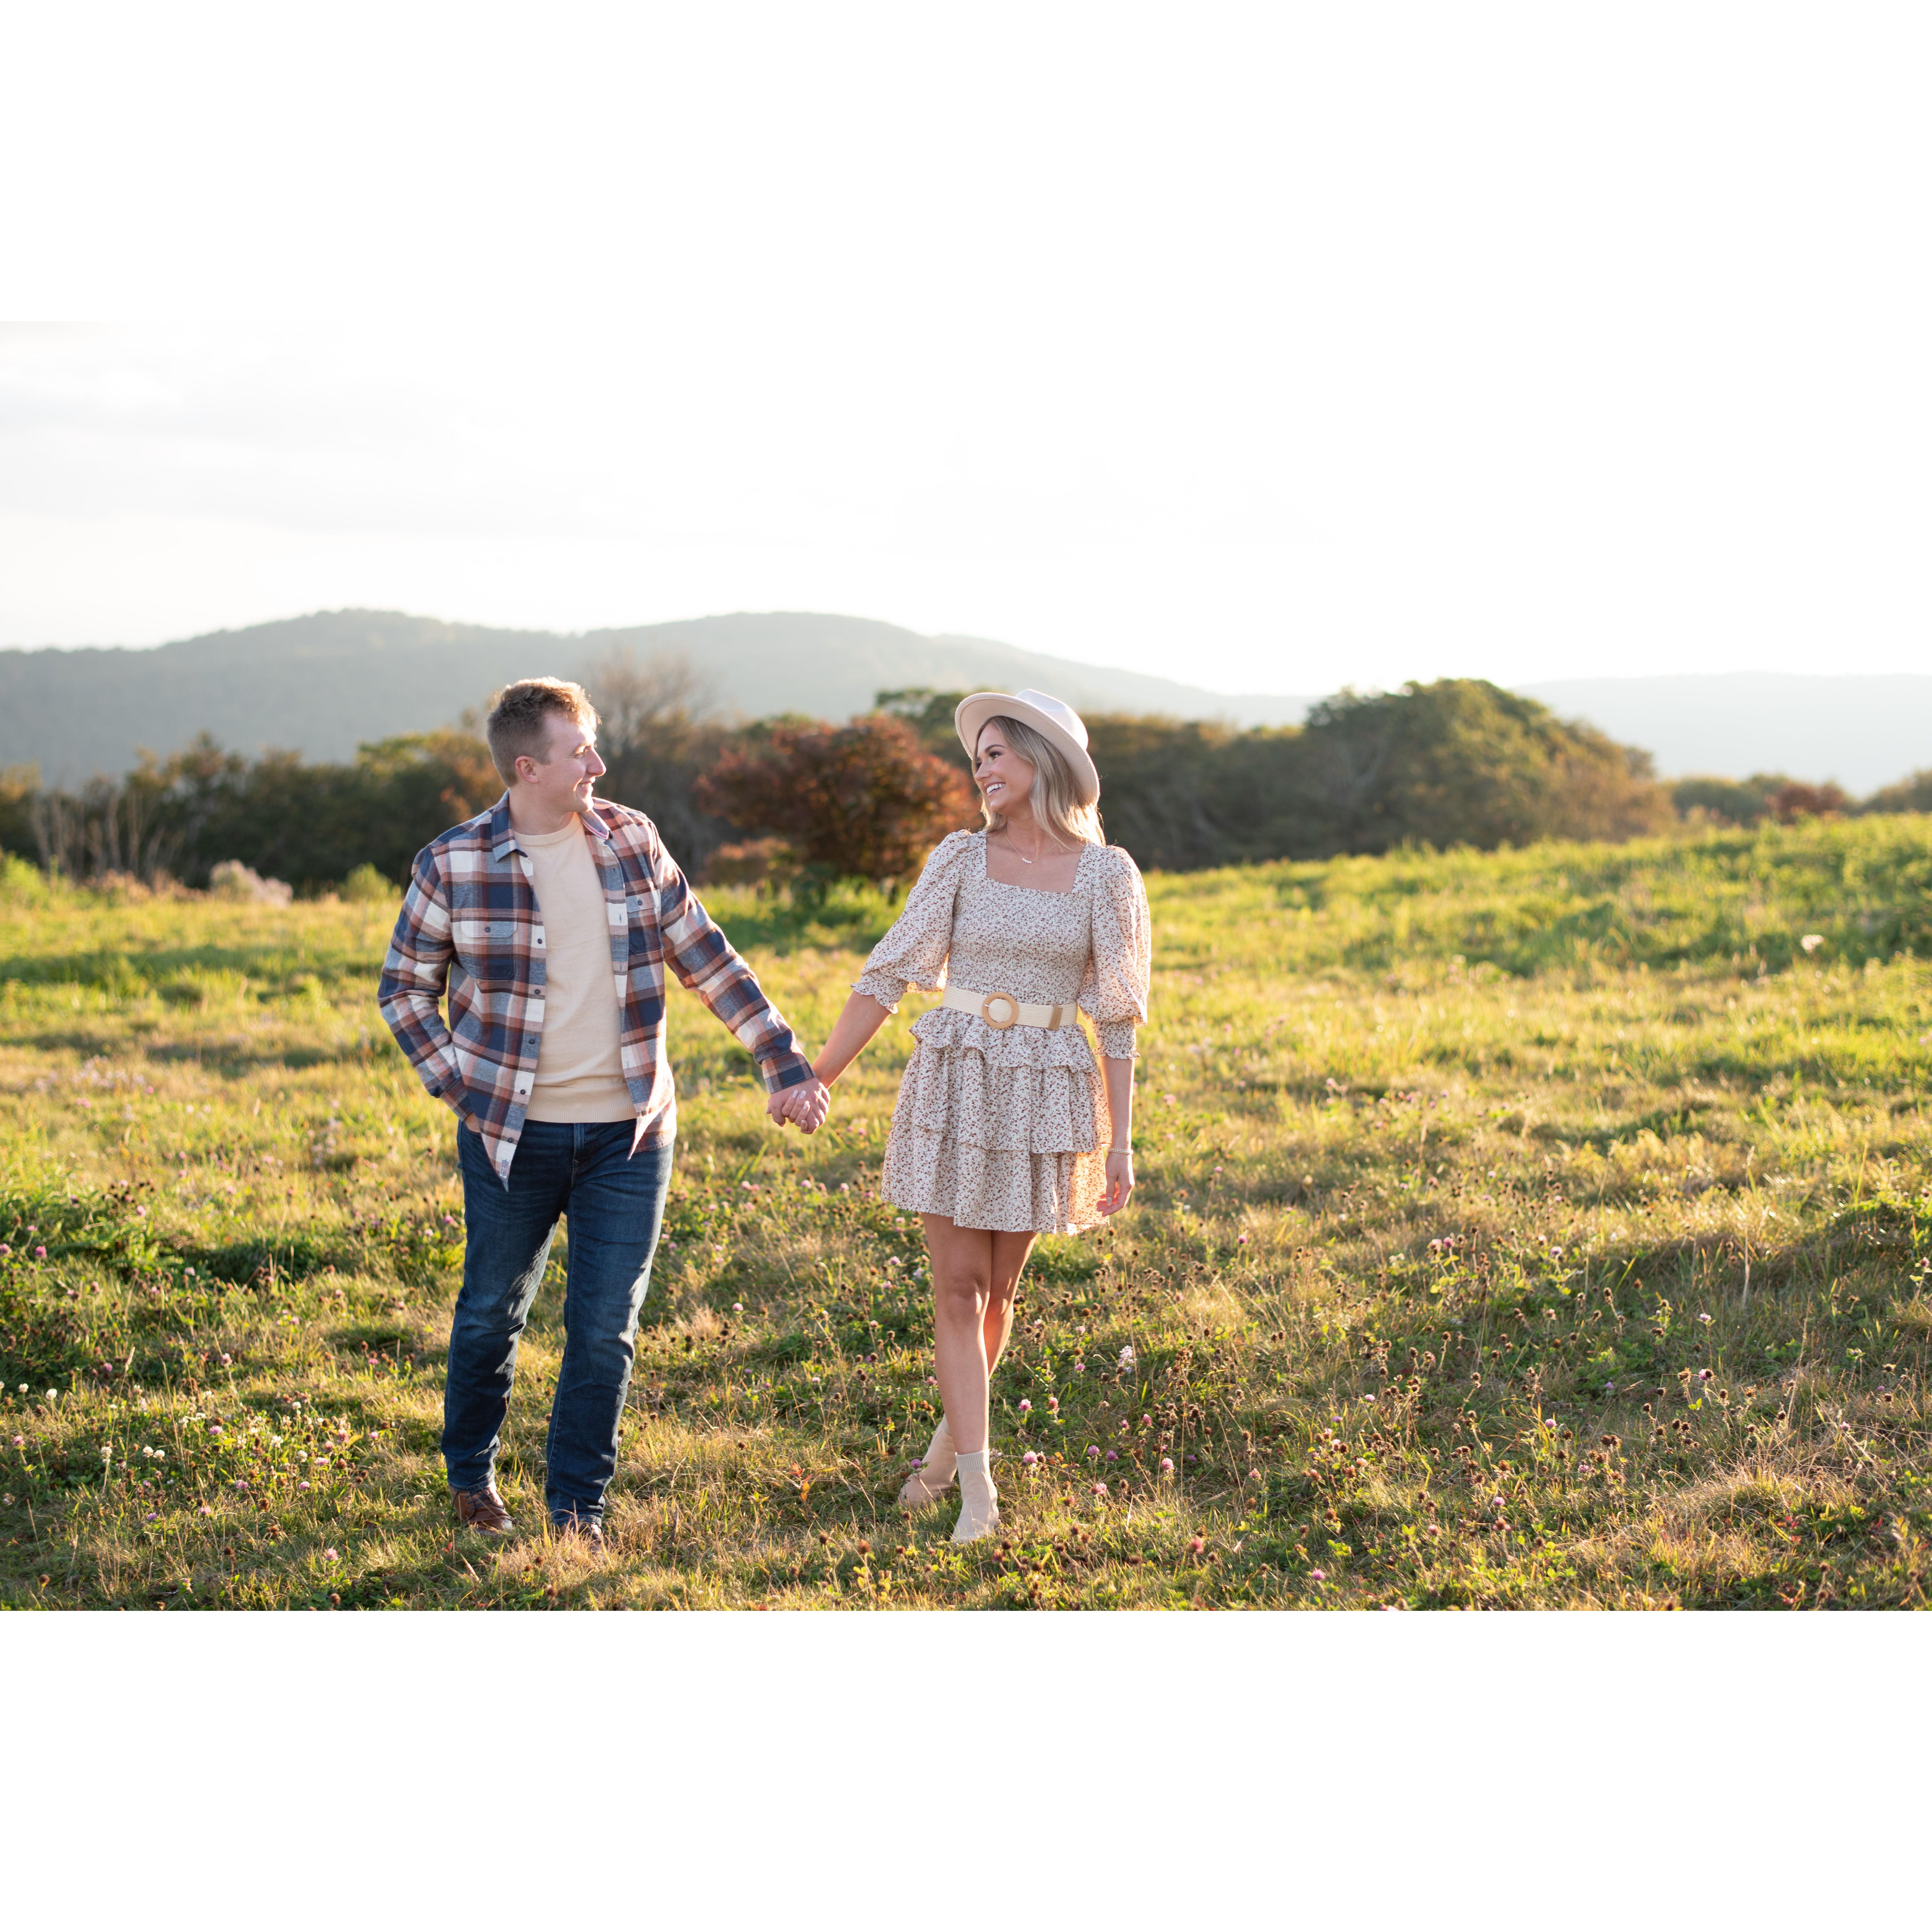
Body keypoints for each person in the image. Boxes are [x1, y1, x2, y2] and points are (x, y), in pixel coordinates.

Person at [377, 677, 829, 1548]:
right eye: (580, 750)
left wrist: (781, 1059)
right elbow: (404, 990)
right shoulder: (455, 862)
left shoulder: (630, 840)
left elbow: (704, 953)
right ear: (527, 767)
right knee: (488, 1314)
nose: (599, 763)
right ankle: (471, 1475)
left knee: (603, 1334)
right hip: (510, 1137)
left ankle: (575, 1509)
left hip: (631, 1135)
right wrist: (461, 1086)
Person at [809, 689, 1151, 1542]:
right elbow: (888, 975)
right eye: (978, 758)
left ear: (1045, 759)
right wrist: (819, 1075)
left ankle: (939, 1459)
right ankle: (977, 1494)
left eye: (995, 753)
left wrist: (1122, 1142)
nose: (981, 770)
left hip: (1047, 1085)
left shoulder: (1109, 874)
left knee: (1001, 1291)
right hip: (957, 1076)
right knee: (956, 1288)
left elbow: (1115, 1013)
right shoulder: (960, 859)